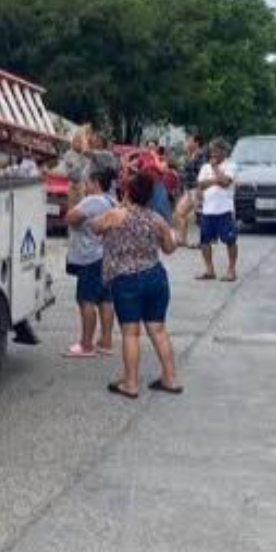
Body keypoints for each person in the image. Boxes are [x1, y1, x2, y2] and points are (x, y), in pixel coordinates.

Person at [93, 172, 182, 398]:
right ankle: (170, 379)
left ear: (128, 193)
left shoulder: (115, 215)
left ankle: (130, 383)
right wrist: (178, 231)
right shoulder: (156, 219)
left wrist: (121, 205)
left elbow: (95, 227)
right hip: (155, 277)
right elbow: (170, 249)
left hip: (126, 280)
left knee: (130, 333)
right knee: (158, 330)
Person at [63, 168, 118, 358]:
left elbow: (70, 218)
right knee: (105, 299)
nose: (86, 186)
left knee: (86, 300)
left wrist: (73, 198)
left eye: (88, 182)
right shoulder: (112, 201)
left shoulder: (93, 201)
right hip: (107, 255)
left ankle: (86, 345)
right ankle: (106, 342)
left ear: (95, 182)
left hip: (90, 257)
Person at [197, 138, 238, 282]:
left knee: (230, 241)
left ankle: (231, 270)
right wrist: (216, 180)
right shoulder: (204, 167)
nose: (212, 153)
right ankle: (209, 270)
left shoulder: (231, 165)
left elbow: (226, 183)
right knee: (204, 241)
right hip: (208, 210)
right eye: (211, 150)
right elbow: (201, 185)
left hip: (225, 210)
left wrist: (215, 171)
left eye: (215, 150)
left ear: (223, 151)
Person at [174, 133, 206, 248]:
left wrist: (200, 190)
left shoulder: (201, 155)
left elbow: (202, 173)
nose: (187, 142)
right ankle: (182, 239)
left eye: (189, 140)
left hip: (197, 189)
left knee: (200, 216)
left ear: (196, 143)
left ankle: (204, 241)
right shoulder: (190, 154)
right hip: (188, 189)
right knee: (180, 212)